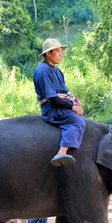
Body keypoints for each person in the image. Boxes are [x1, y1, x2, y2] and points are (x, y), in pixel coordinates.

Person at [33, 38, 85, 167]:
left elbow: (65, 91)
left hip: (59, 104)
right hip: (52, 109)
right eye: (57, 51)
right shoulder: (43, 71)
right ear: (48, 54)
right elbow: (53, 98)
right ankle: (61, 152)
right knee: (77, 121)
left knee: (80, 115)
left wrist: (74, 101)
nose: (61, 54)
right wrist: (72, 107)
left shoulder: (56, 70)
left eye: (61, 51)